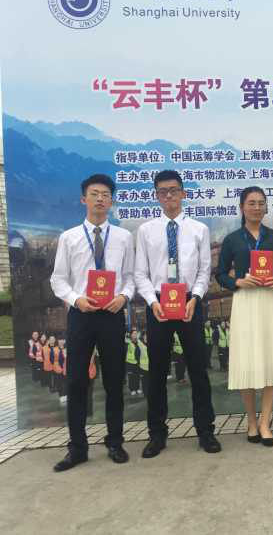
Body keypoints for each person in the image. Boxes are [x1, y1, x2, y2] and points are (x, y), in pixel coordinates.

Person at [49, 173, 135, 472]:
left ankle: (115, 442)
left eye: (105, 195)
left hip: (112, 315)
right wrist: (76, 299)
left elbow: (130, 277)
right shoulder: (69, 237)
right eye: (94, 194)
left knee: (114, 380)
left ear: (111, 202)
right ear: (83, 199)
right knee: (76, 381)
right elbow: (58, 280)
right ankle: (77, 448)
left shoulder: (123, 237)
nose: (100, 199)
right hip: (81, 315)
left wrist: (123, 297)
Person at [134, 169, 221, 457]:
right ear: (156, 196)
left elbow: (204, 270)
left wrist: (196, 298)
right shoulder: (146, 231)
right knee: (157, 372)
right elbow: (140, 273)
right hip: (159, 305)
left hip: (189, 304)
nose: (169, 195)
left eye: (173, 190)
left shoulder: (199, 229)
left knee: (198, 370)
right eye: (163, 191)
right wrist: (152, 301)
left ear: (183, 193)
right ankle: (157, 435)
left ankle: (206, 432)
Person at [216, 186, 273, 447]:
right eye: (251, 203)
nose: (257, 208)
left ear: (266, 207)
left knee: (270, 359)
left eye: (261, 203)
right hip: (245, 302)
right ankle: (251, 421)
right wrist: (237, 282)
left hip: (270, 302)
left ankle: (266, 422)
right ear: (242, 207)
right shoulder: (232, 239)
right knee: (246, 361)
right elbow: (220, 274)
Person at [125, 329, 143, 395]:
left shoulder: (139, 342)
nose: (135, 335)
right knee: (131, 377)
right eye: (134, 333)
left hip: (137, 362)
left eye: (136, 333)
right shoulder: (127, 342)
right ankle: (132, 389)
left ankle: (137, 388)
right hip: (130, 363)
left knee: (137, 376)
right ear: (131, 335)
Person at [55, 338, 67, 403]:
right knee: (60, 383)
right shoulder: (55, 349)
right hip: (59, 369)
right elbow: (54, 360)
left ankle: (66, 395)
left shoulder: (67, 349)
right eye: (60, 340)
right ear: (58, 341)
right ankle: (61, 396)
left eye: (62, 340)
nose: (61, 342)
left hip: (67, 369)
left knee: (66, 383)